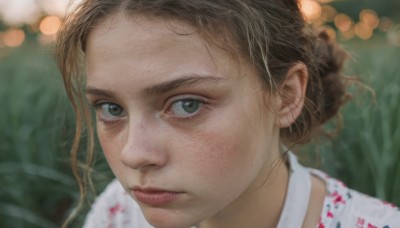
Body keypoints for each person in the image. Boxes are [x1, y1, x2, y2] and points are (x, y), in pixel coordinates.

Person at [56, 0, 400, 227]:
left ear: (286, 96)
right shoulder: (120, 214)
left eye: (186, 104)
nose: (134, 154)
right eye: (111, 108)